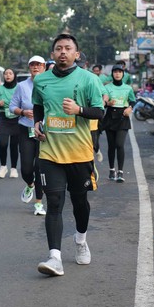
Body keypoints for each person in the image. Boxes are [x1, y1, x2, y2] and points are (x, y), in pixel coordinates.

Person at [32, 34, 104, 276]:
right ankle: (55, 258)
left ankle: (81, 240)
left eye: (68, 48)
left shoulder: (89, 79)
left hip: (79, 153)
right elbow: (38, 105)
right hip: (50, 152)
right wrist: (37, 122)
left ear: (77, 53)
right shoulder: (41, 80)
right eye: (58, 48)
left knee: (79, 202)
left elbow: (100, 112)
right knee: (54, 203)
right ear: (52, 54)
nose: (63, 52)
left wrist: (79, 109)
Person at [9, 55, 47, 216]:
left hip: (44, 131)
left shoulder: (50, 85)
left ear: (44, 67)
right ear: (29, 68)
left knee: (39, 167)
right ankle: (30, 184)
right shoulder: (22, 86)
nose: (35, 67)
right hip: (26, 129)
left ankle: (38, 203)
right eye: (32, 65)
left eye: (39, 65)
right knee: (26, 168)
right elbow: (12, 106)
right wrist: (23, 112)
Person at [102, 64, 136, 183]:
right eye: (115, 72)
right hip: (110, 117)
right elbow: (103, 102)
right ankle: (112, 170)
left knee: (119, 144)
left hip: (123, 117)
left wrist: (130, 108)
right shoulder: (107, 87)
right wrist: (107, 103)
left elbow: (132, 100)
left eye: (119, 72)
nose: (117, 74)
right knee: (111, 145)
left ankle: (120, 172)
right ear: (112, 74)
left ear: (123, 74)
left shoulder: (128, 88)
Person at [0, 68, 19, 179]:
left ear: (14, 75)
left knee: (14, 145)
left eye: (10, 73)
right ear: (3, 76)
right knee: (3, 144)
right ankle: (3, 167)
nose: (8, 75)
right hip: (4, 118)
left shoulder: (19, 88)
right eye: (6, 73)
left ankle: (13, 168)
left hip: (17, 118)